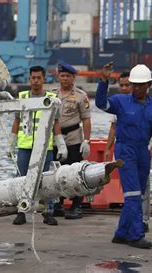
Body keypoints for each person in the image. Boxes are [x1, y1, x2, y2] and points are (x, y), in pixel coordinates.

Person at [95, 63, 152, 249]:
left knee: (137, 194)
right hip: (125, 151)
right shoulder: (121, 102)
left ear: (149, 84)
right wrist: (103, 81)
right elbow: (101, 103)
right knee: (132, 194)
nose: (137, 88)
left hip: (142, 152)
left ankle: (122, 233)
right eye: (134, 84)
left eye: (141, 84)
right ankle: (136, 234)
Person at [8, 65, 68, 226]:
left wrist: (60, 144)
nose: (35, 81)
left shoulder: (51, 98)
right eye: (33, 78)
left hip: (44, 148)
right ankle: (21, 212)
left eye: (38, 78)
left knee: (46, 180)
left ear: (43, 79)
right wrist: (11, 142)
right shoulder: (22, 96)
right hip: (25, 147)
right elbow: (17, 121)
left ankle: (48, 213)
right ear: (29, 79)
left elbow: (55, 123)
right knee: (21, 179)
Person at [103, 71, 152, 232]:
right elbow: (114, 128)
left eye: (128, 85)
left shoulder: (148, 104)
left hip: (140, 149)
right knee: (129, 187)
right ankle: (129, 223)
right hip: (125, 151)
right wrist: (108, 148)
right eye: (122, 85)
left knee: (143, 187)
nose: (125, 88)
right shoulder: (119, 104)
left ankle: (143, 220)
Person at [53, 62, 91, 220]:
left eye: (68, 76)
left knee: (74, 172)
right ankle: (58, 203)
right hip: (56, 139)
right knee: (56, 172)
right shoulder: (52, 95)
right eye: (62, 76)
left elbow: (86, 120)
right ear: (58, 77)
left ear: (73, 77)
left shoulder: (81, 96)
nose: (65, 78)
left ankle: (76, 205)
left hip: (74, 137)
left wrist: (87, 141)